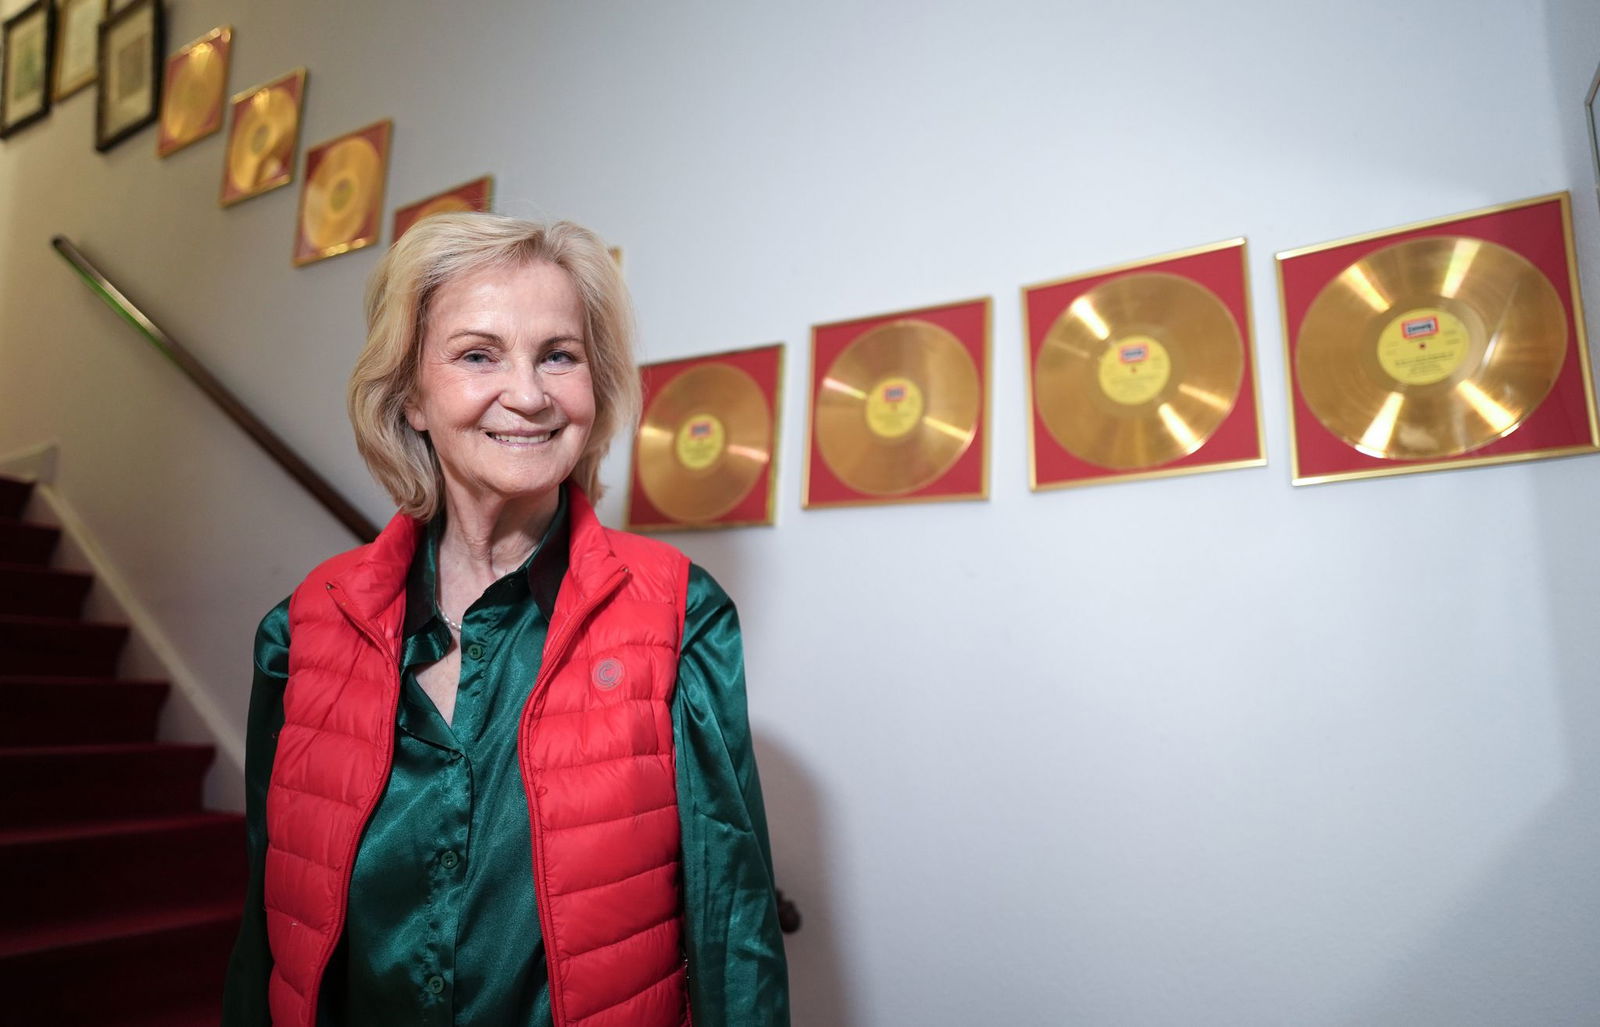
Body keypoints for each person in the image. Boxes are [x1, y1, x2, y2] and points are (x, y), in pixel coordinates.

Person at [222, 214, 790, 1026]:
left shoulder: (679, 613)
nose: (527, 395)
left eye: (558, 355)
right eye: (478, 354)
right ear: (412, 395)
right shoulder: (304, 628)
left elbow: (736, 934)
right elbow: (268, 929)